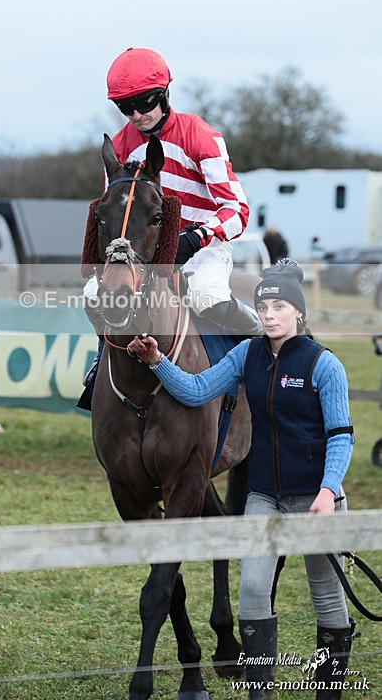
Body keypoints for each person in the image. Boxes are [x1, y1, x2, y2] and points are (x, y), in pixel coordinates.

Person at [128, 260, 355, 699]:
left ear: (299, 314)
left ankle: (329, 694)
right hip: (265, 498)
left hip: (317, 497)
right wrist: (157, 360)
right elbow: (196, 391)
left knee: (327, 599)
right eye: (263, 306)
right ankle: (258, 694)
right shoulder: (246, 353)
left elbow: (341, 436)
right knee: (252, 592)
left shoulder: (325, 365)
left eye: (280, 306)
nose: (269, 314)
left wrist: (328, 492)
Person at [82, 47, 260, 387]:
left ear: (164, 94)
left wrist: (196, 238)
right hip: (143, 252)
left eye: (145, 102)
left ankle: (269, 342)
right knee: (94, 293)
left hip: (202, 244)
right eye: (125, 107)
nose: (136, 114)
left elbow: (237, 210)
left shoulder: (199, 134)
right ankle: (102, 357)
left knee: (207, 297)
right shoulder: (119, 146)